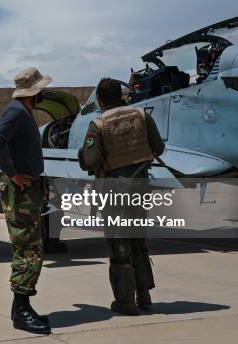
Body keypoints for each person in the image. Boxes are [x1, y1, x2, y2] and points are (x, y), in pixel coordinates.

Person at [78, 78, 165, 316]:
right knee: (138, 243)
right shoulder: (142, 116)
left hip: (114, 191)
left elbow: (91, 161)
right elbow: (158, 148)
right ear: (122, 95)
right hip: (140, 188)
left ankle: (126, 302)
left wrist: (82, 155)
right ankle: (144, 295)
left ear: (99, 100)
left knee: (120, 246)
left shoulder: (98, 124)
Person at [0, 67, 52, 335]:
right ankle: (21, 311)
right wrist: (14, 174)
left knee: (32, 246)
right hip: (21, 193)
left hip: (28, 192)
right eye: (42, 89)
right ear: (35, 92)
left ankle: (22, 307)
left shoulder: (22, 112)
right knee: (28, 249)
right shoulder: (16, 112)